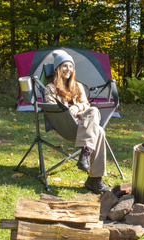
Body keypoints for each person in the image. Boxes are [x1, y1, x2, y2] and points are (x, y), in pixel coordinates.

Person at [44, 50, 111, 194]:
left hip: (83, 126)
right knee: (96, 124)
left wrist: (77, 107)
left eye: (71, 66)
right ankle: (92, 172)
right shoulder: (50, 89)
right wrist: (70, 112)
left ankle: (91, 172)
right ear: (57, 69)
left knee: (98, 127)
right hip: (66, 126)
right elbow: (53, 110)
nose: (68, 69)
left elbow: (86, 105)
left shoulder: (78, 86)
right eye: (64, 66)